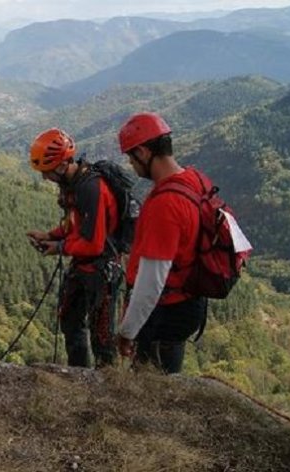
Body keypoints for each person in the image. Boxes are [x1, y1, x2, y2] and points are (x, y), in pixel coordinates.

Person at [115, 112, 209, 374]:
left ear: (144, 152)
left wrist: (127, 331)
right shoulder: (194, 180)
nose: (132, 166)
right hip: (189, 301)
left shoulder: (165, 204)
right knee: (168, 381)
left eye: (131, 158)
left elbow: (151, 282)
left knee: (152, 391)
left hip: (165, 312)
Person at [26, 128, 120, 368]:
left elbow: (93, 243)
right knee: (70, 320)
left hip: (102, 268)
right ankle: (80, 376)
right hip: (84, 265)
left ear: (59, 166)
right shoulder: (73, 184)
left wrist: (58, 247)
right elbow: (75, 226)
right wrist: (50, 235)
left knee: (102, 337)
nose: (45, 178)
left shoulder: (91, 188)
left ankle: (106, 384)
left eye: (46, 172)